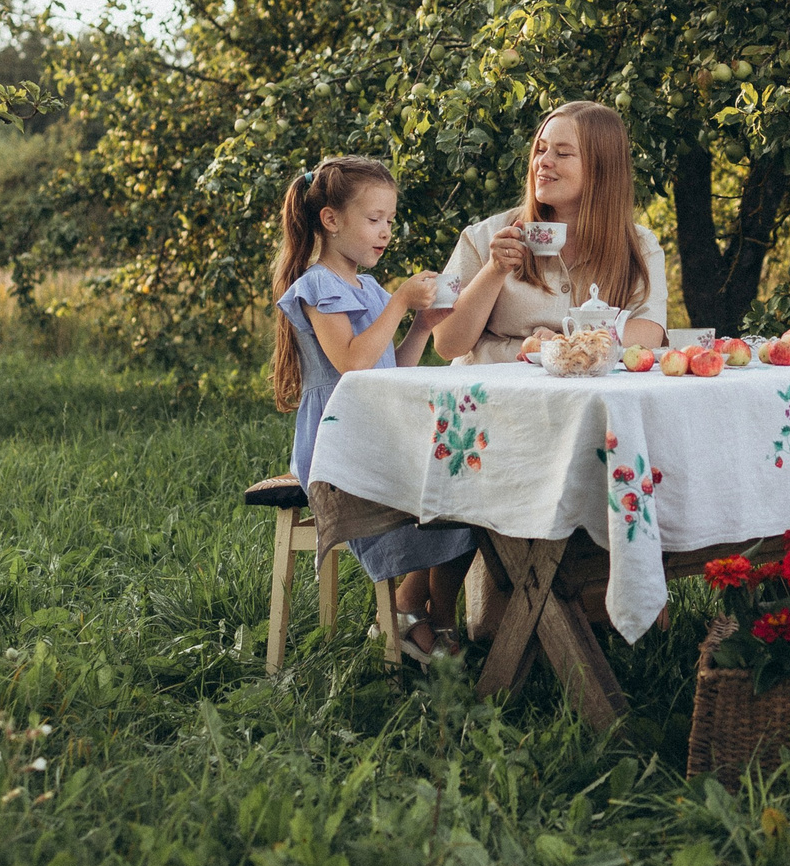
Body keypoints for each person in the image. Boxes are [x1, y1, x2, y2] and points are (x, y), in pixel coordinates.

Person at [271, 156, 475, 656]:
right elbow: (353, 366)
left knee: (465, 492)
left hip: (375, 430)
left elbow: (390, 374)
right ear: (331, 220)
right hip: (337, 443)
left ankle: (423, 619)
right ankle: (414, 623)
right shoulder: (319, 286)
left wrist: (422, 326)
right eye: (373, 219)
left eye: (390, 220)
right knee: (436, 493)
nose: (385, 232)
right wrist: (400, 302)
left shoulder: (368, 287)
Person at [432, 102, 671, 366]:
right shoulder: (485, 236)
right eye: (541, 149)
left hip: (580, 395)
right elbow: (446, 344)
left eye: (563, 154)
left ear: (601, 168)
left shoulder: (637, 245)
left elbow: (650, 333)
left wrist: (565, 341)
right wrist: (494, 270)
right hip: (493, 396)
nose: (543, 162)